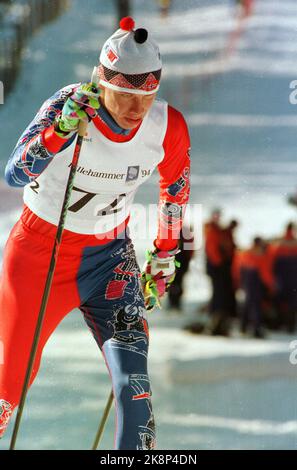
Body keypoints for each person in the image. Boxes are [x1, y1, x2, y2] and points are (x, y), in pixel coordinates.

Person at [0, 17, 190, 449]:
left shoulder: (167, 126)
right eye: (124, 94)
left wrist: (163, 256)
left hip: (109, 259)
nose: (135, 109)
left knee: (134, 388)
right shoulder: (70, 105)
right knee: (9, 390)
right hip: (37, 256)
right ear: (100, 83)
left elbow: (175, 192)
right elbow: (14, 173)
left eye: (146, 95)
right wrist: (60, 131)